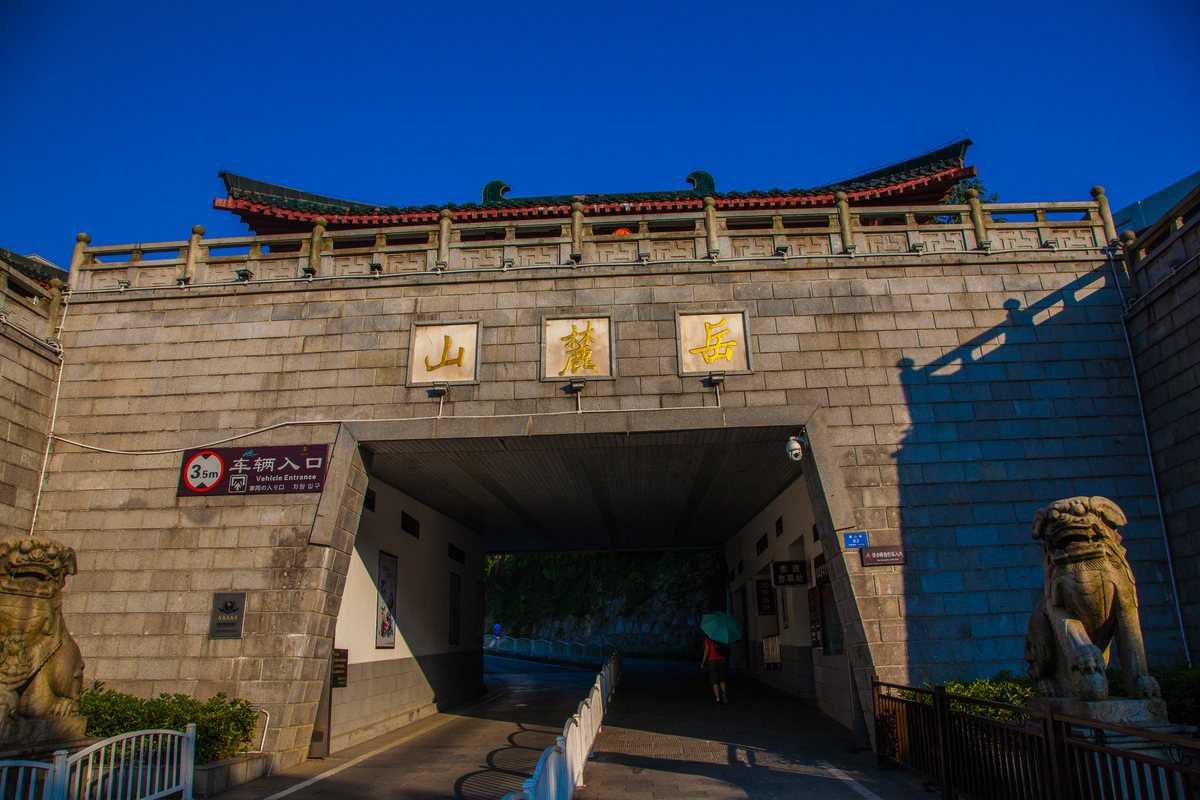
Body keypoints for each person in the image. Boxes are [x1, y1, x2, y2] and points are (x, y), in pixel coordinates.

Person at [700, 635, 730, 703]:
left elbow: (707, 650)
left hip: (713, 659)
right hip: (723, 659)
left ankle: (717, 698)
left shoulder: (709, 638)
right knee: (723, 678)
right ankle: (723, 691)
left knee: (714, 679)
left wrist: (703, 661)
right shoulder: (724, 637)